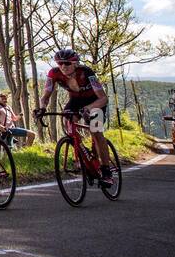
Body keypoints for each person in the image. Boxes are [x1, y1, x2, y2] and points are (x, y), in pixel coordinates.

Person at [34, 49, 115, 185]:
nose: (63, 66)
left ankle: (106, 171)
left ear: (75, 63)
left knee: (96, 131)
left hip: (95, 102)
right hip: (76, 101)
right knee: (69, 123)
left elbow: (103, 98)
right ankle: (81, 152)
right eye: (60, 63)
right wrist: (42, 108)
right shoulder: (54, 73)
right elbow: (46, 95)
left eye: (67, 63)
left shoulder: (86, 72)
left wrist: (88, 109)